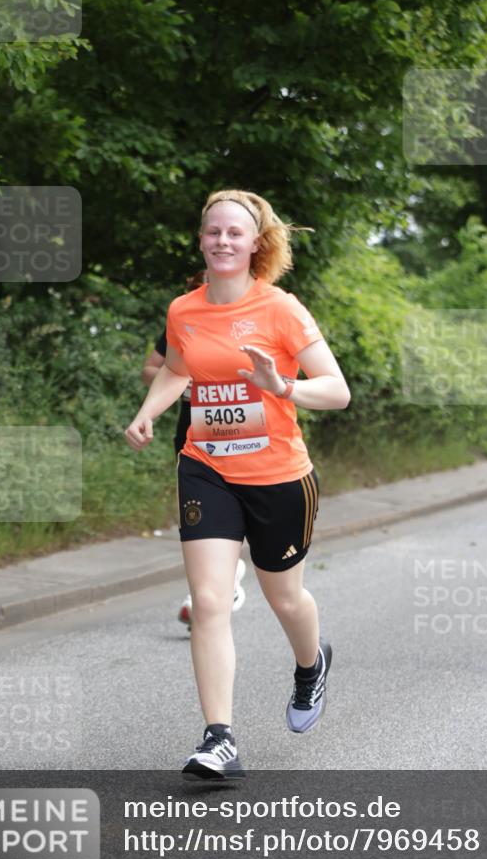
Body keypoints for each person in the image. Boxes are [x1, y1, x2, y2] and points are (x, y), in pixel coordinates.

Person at [125, 189, 350, 779]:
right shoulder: (184, 310)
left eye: (234, 232)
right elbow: (176, 368)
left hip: (279, 476)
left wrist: (285, 388)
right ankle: (218, 738)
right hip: (207, 467)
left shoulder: (282, 309)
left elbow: (337, 389)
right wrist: (149, 410)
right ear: (201, 240)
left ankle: (311, 664)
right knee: (207, 603)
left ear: (256, 243)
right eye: (213, 232)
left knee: (284, 598)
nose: (222, 241)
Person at [141, 279, 247, 628]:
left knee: (234, 515)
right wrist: (182, 382)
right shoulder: (183, 320)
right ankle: (208, 593)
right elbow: (151, 370)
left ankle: (226, 579)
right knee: (199, 521)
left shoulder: (251, 321)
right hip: (191, 438)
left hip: (243, 437)